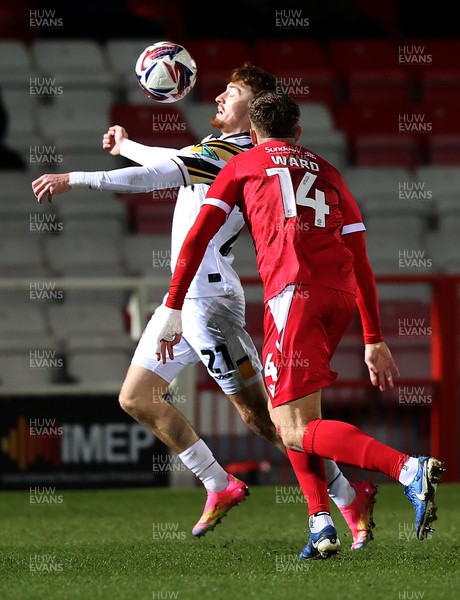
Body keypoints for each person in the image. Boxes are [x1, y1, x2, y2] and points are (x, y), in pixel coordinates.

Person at [31, 67, 376, 548]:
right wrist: (128, 145)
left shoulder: (239, 153)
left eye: (231, 93)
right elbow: (173, 160)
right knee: (137, 397)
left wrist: (76, 178)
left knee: (267, 420)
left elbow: (157, 174)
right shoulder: (219, 153)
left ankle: (345, 495)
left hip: (209, 300)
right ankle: (220, 483)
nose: (217, 96)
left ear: (252, 112)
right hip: (185, 298)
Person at [148, 90, 446, 559]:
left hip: (294, 296)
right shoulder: (327, 171)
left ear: (252, 134)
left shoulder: (242, 166)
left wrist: (171, 307)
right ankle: (321, 523)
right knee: (299, 415)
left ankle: (408, 468)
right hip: (340, 297)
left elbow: (196, 238)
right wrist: (374, 338)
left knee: (288, 427)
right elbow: (362, 260)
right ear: (299, 132)